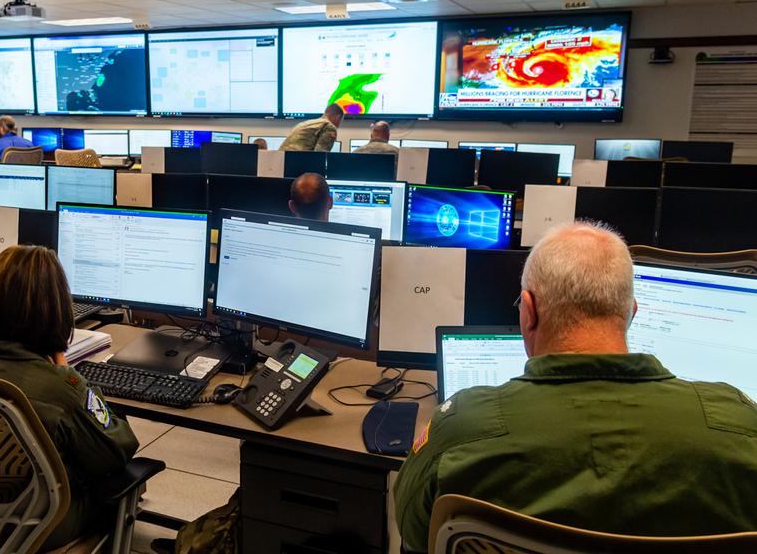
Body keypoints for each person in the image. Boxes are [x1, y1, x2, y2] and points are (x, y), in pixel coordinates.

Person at [394, 222, 757, 554]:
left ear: (529, 312)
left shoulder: (461, 431)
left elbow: (411, 527)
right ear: (631, 313)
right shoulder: (738, 426)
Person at [0, 245, 138, 550]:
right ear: (56, 311)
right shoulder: (58, 387)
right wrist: (74, 380)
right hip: (34, 527)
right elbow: (117, 450)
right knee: (119, 482)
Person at [279, 103, 344, 152]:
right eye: (340, 121)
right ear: (337, 117)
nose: (338, 126)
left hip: (281, 162)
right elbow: (320, 155)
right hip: (297, 164)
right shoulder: (329, 127)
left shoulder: (306, 123)